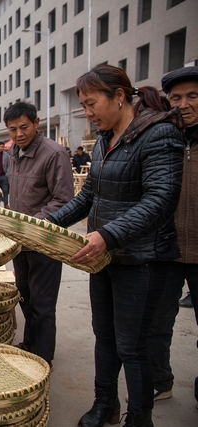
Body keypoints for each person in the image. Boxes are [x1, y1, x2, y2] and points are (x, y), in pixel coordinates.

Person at [46, 64, 184, 427]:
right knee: (105, 338)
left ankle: (139, 418)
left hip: (143, 260)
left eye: (92, 104)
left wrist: (108, 234)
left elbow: (161, 198)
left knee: (133, 347)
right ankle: (104, 404)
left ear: (119, 96)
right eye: (84, 106)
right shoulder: (105, 140)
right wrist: (44, 225)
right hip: (104, 258)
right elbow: (88, 196)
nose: (88, 114)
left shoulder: (159, 134)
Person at [5, 101, 74, 369]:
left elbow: (65, 200)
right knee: (25, 294)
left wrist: (30, 223)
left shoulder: (54, 154)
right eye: (13, 130)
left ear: (36, 122)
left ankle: (43, 357)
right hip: (21, 241)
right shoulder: (15, 153)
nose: (19, 134)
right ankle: (31, 343)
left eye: (24, 127)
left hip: (44, 241)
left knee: (43, 302)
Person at [147, 66, 198, 408]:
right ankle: (160, 381)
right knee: (156, 323)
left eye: (192, 96)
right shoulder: (164, 139)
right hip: (166, 248)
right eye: (176, 98)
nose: (184, 104)